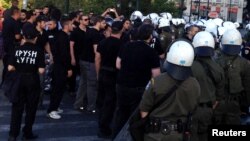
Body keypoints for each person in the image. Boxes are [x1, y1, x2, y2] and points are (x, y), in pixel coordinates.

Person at [140, 40, 200, 141]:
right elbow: (194, 109)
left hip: (155, 135)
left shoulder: (156, 81)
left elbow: (143, 112)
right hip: (180, 135)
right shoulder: (195, 84)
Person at [113, 24, 161, 138]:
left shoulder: (126, 46)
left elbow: (118, 65)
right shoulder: (151, 52)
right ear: (150, 37)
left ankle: (115, 136)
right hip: (139, 87)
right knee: (134, 117)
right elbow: (156, 75)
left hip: (121, 84)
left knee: (120, 113)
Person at [7, 26, 45, 141]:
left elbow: (9, 68)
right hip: (32, 81)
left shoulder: (17, 49)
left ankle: (13, 134)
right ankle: (27, 132)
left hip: (19, 80)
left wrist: (19, 69)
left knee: (17, 108)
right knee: (31, 109)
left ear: (23, 37)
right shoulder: (39, 50)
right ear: (35, 38)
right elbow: (41, 70)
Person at [191, 31, 225, 141]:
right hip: (207, 110)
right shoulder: (218, 68)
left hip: (190, 109)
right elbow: (220, 94)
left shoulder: (189, 66)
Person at [214, 29, 250, 125]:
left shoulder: (215, 61)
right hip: (235, 104)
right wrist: (245, 105)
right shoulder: (244, 63)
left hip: (217, 103)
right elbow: (247, 86)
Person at [95, 21, 124, 138]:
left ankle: (102, 123)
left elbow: (97, 59)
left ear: (111, 29)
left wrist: (98, 73)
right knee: (110, 102)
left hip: (103, 72)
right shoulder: (122, 45)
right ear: (122, 30)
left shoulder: (102, 42)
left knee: (102, 100)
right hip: (114, 75)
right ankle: (104, 127)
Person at [47, 17, 73, 119]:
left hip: (59, 66)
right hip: (60, 67)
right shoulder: (63, 37)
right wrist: (68, 68)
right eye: (71, 24)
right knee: (57, 89)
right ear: (66, 26)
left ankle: (55, 107)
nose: (72, 26)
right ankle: (52, 110)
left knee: (59, 88)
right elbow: (64, 55)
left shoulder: (62, 35)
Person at [80, 15, 106, 113]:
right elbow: (96, 51)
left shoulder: (88, 31)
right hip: (90, 62)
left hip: (83, 60)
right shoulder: (96, 34)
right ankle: (91, 107)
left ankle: (78, 103)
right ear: (98, 22)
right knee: (92, 85)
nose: (105, 24)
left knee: (83, 83)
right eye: (103, 22)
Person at [71, 15, 89, 110]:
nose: (87, 21)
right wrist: (73, 57)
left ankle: (82, 98)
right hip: (78, 57)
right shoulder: (75, 32)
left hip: (86, 57)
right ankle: (79, 99)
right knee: (81, 79)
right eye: (85, 19)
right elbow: (71, 45)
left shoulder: (89, 30)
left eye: (88, 19)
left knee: (83, 79)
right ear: (80, 21)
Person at [2, 6, 21, 87]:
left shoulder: (6, 21)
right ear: (16, 13)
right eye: (19, 13)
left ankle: (4, 81)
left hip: (5, 45)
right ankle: (9, 83)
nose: (20, 15)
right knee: (11, 64)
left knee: (6, 65)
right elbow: (17, 37)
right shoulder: (15, 22)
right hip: (12, 47)